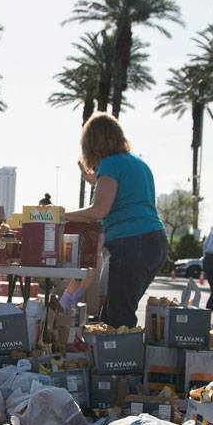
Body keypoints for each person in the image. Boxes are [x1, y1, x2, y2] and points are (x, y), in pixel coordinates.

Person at [66, 112, 167, 328]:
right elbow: (125, 196)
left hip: (131, 242)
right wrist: (96, 180)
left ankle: (117, 359)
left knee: (116, 318)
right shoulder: (137, 163)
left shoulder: (110, 164)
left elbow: (99, 210)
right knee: (120, 309)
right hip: (154, 242)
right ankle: (118, 355)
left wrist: (61, 215)